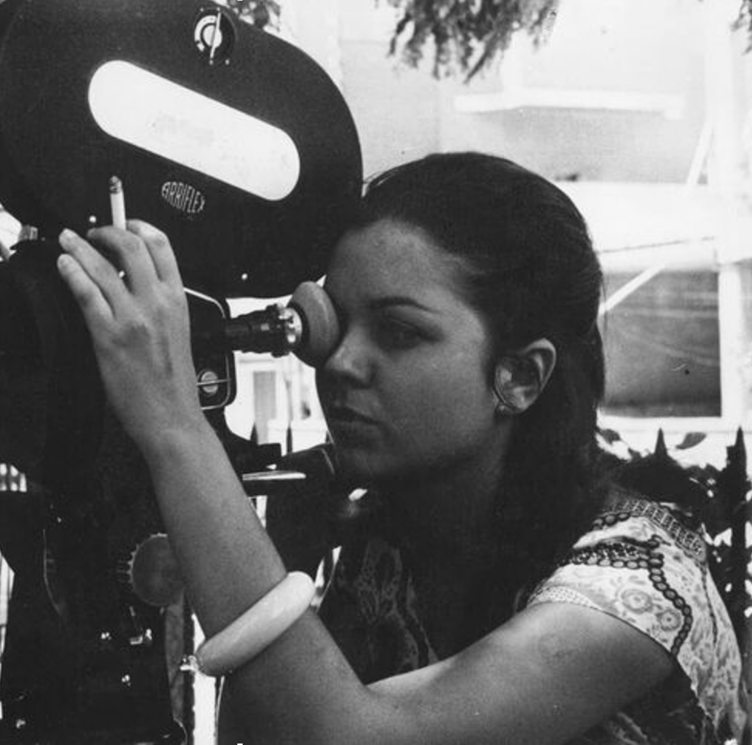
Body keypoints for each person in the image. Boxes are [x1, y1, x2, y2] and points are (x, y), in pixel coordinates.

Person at [56, 152, 747, 744]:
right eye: (338, 323)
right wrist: (285, 556)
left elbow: (357, 736)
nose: (341, 362)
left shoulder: (639, 583)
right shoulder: (391, 548)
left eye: (399, 332)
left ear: (520, 376)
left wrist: (175, 424)